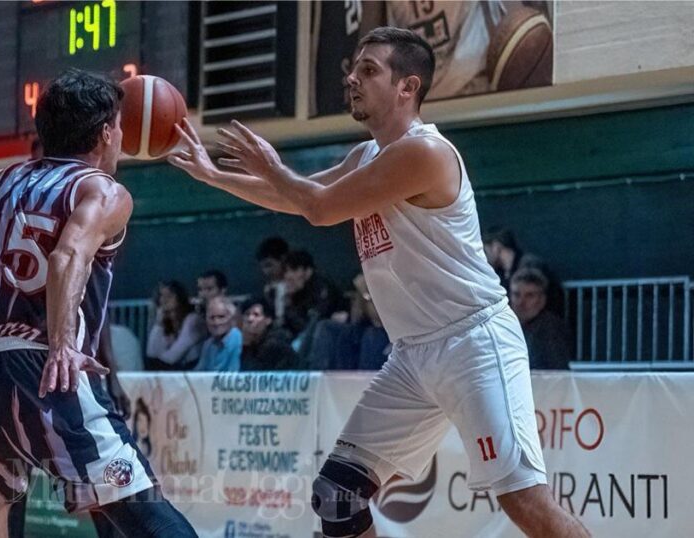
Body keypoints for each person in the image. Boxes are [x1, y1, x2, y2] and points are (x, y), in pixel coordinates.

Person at [169, 26, 588, 538]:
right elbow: (300, 199)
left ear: (407, 87)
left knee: (524, 501)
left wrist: (275, 167)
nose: (351, 77)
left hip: (473, 342)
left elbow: (319, 208)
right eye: (353, 68)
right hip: (414, 354)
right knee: (337, 496)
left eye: (368, 70)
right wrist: (214, 174)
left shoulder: (425, 153)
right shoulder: (366, 156)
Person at [0, 68, 195, 538]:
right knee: (142, 507)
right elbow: (68, 255)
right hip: (36, 366)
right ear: (107, 133)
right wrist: (63, 344)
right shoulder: (102, 191)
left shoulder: (0, 181)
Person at [510, 267, 572, 370]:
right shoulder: (508, 326)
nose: (521, 302)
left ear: (542, 299)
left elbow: (557, 372)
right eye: (516, 295)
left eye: (530, 296)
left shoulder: (551, 330)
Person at [145, 281, 205, 371]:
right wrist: (158, 324)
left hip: (193, 369)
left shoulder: (192, 319)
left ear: (180, 298)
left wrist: (156, 363)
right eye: (161, 295)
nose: (164, 299)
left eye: (170, 295)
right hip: (174, 367)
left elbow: (174, 356)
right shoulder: (167, 321)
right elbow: (152, 354)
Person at [238, 297, 300, 371]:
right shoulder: (247, 344)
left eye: (256, 315)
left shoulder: (275, 345)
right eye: (247, 314)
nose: (250, 319)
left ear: (268, 320)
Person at [194, 296, 242, 372]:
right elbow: (198, 373)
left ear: (232, 319)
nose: (216, 322)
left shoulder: (237, 338)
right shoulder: (208, 344)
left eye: (221, 317)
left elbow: (234, 374)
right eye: (212, 318)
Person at [255, 236, 289, 321]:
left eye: (269, 265)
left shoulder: (298, 287)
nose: (266, 272)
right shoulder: (269, 289)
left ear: (283, 259)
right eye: (263, 267)